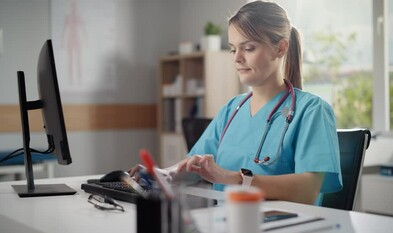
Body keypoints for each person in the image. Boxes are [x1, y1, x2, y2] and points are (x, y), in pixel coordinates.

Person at [132, 0, 342, 205]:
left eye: (248, 48)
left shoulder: (312, 111)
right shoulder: (233, 109)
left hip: (282, 227)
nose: (237, 58)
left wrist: (234, 178)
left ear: (280, 48)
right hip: (227, 224)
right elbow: (195, 167)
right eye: (233, 49)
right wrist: (165, 174)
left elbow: (308, 190)